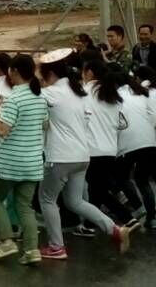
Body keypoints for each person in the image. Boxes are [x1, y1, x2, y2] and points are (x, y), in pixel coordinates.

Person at [37, 51, 131, 259]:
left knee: (47, 199)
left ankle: (56, 246)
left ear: (49, 73)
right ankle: (113, 229)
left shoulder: (50, 93)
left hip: (60, 156)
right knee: (75, 201)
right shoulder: (78, 92)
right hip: (82, 156)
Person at [0, 55, 48, 265]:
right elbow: (45, 124)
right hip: (33, 162)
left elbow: (3, 130)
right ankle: (32, 250)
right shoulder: (40, 98)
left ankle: (7, 241)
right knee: (25, 206)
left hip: (10, 162)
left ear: (14, 71)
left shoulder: (13, 99)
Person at [82, 59, 139, 232]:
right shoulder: (112, 94)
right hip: (110, 149)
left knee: (98, 189)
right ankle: (89, 226)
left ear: (89, 72)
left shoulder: (84, 92)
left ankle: (127, 218)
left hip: (92, 149)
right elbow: (121, 123)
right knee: (97, 187)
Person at [113, 66, 156, 232]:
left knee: (120, 177)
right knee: (143, 180)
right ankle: (152, 218)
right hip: (149, 141)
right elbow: (153, 116)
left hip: (127, 144)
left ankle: (138, 207)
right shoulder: (142, 93)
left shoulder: (115, 96)